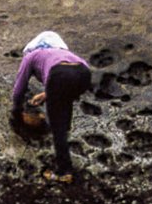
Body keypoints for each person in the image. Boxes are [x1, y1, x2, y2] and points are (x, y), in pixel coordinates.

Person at [10, 31, 92, 183]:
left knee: (57, 126)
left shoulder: (31, 55)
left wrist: (16, 112)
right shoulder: (61, 53)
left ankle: (64, 172)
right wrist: (47, 94)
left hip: (59, 75)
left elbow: (19, 89)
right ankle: (65, 136)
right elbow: (68, 76)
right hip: (84, 74)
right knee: (64, 104)